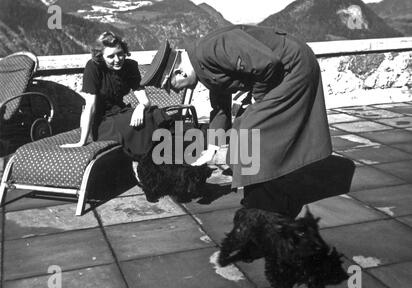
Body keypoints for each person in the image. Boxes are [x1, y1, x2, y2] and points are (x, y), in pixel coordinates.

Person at [140, 25, 333, 218]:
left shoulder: (211, 49)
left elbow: (268, 63)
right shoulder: (202, 64)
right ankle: (263, 194)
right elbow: (220, 107)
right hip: (281, 70)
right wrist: (212, 148)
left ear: (179, 72)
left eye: (171, 86)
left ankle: (267, 205)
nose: (175, 91)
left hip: (294, 67)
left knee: (252, 131)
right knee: (244, 127)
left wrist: (258, 100)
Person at [61, 31, 172, 161]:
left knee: (153, 114)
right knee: (134, 124)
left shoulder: (130, 66)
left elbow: (145, 100)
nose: (117, 60)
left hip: (121, 111)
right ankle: (148, 158)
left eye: (120, 54)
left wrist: (140, 107)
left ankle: (166, 154)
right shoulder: (93, 68)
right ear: (101, 56)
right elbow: (90, 106)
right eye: (111, 56)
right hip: (103, 122)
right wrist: (82, 141)